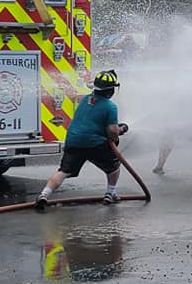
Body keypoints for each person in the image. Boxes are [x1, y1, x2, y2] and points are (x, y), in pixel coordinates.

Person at [35, 69, 128, 210]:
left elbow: (92, 121)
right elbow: (112, 131)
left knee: (64, 171)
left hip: (73, 141)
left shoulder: (85, 99)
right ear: (110, 91)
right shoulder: (110, 107)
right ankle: (110, 193)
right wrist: (121, 130)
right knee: (113, 167)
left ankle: (44, 195)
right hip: (94, 143)